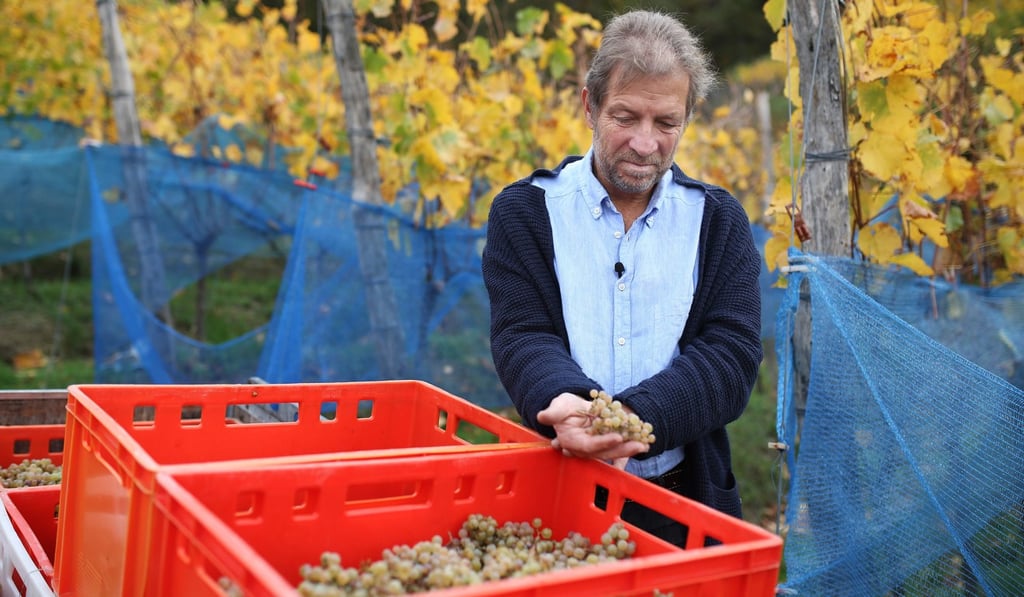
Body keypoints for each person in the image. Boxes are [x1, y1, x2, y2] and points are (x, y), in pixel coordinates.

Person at [481, 9, 763, 546]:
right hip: (559, 497)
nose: (644, 142)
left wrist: (633, 417)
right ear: (590, 106)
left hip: (684, 501)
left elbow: (732, 354)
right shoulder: (525, 212)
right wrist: (563, 398)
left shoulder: (717, 221)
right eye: (625, 117)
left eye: (665, 123)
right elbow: (522, 334)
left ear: (688, 117)